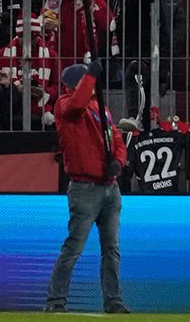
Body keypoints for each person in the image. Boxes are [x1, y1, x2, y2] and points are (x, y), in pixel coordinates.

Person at [45, 62, 128, 314]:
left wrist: (118, 162)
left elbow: (116, 139)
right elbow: (77, 103)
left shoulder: (100, 109)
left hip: (108, 187)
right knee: (74, 248)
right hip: (85, 188)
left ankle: (113, 301)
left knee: (110, 250)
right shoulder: (64, 106)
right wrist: (92, 74)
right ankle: (55, 302)